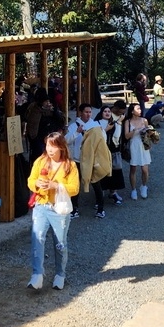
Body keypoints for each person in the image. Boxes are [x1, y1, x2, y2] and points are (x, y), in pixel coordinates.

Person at [26, 132, 80, 291]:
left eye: (54, 146)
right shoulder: (40, 161)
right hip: (42, 204)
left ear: (61, 147)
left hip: (59, 209)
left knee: (60, 243)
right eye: (48, 145)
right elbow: (30, 180)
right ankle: (37, 275)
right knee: (38, 238)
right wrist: (37, 184)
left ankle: (60, 275)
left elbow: (74, 188)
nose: (50, 149)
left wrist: (55, 186)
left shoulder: (70, 165)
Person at [65, 103, 101, 218]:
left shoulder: (95, 125)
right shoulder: (73, 126)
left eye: (90, 112)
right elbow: (66, 141)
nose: (88, 114)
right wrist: (77, 132)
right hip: (77, 159)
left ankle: (100, 208)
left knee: (95, 183)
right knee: (75, 184)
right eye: (86, 112)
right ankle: (74, 209)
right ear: (80, 112)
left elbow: (102, 139)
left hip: (91, 159)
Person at [97, 103, 126, 206]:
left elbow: (118, 136)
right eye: (105, 111)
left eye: (108, 111)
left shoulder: (117, 121)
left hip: (114, 149)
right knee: (102, 172)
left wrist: (118, 124)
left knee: (115, 172)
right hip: (102, 150)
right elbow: (95, 136)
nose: (107, 113)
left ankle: (113, 192)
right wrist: (106, 130)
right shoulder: (97, 122)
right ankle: (100, 194)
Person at [124, 103, 152, 200]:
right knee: (133, 169)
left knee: (145, 170)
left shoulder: (144, 120)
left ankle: (144, 186)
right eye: (138, 109)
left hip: (143, 146)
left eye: (140, 108)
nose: (140, 110)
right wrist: (136, 130)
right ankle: (133, 189)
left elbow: (148, 134)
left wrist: (150, 137)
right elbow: (126, 136)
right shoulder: (128, 121)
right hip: (133, 146)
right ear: (132, 111)